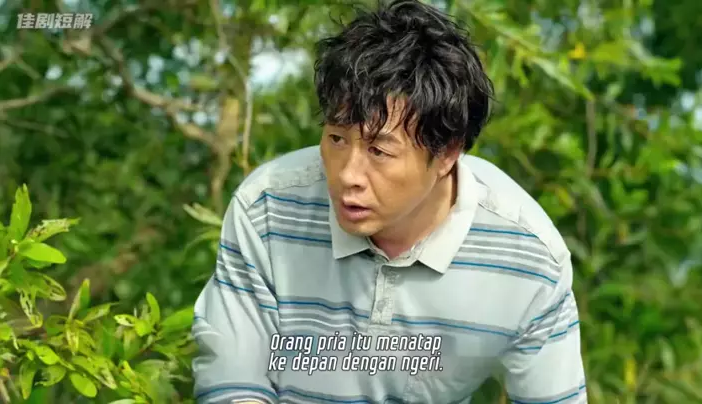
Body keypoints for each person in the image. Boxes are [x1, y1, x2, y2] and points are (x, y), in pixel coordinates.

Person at [190, 0, 587, 403]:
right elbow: (233, 384)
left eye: (379, 151)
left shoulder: (528, 260)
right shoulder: (267, 209)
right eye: (337, 139)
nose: (348, 175)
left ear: (447, 154)